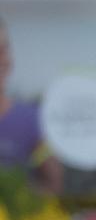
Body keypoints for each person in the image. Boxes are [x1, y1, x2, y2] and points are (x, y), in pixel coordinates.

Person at [0, 17, 63, 194]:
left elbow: (53, 186)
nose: (1, 58)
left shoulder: (33, 120)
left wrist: (20, 192)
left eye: (4, 49)